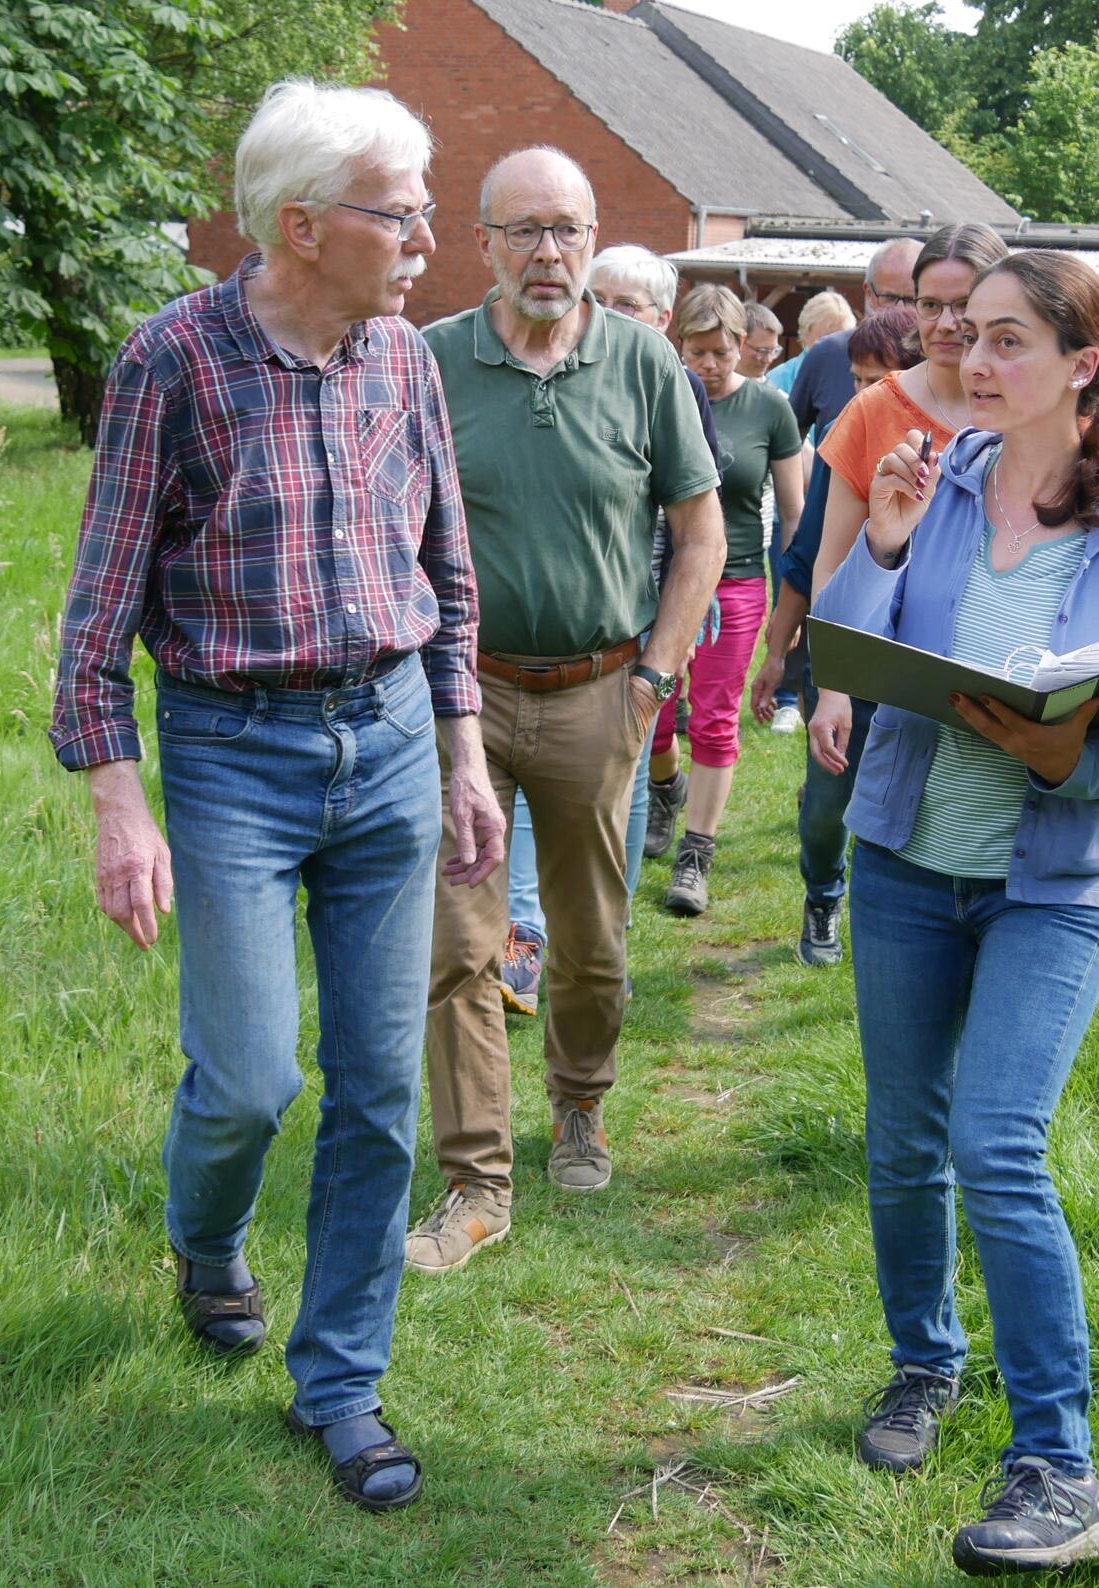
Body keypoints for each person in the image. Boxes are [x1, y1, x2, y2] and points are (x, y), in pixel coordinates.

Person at [48, 80, 505, 1512]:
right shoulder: (170, 362)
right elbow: (93, 619)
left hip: (388, 747)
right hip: (234, 755)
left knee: (378, 1096)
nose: (430, 235)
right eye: (402, 210)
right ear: (302, 225)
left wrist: (466, 744)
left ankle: (343, 1382)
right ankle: (207, 1241)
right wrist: (124, 810)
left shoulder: (406, 362)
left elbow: (447, 572)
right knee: (249, 1081)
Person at [812, 250, 1099, 1575]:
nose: (974, 365)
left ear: (1082, 364)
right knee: (902, 1141)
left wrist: (1063, 760)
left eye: (1007, 343)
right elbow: (849, 646)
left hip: (1052, 881)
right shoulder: (943, 479)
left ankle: (1058, 1464)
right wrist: (886, 537)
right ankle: (924, 1366)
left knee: (998, 1146)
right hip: (913, 860)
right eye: (964, 337)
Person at [409, 147, 724, 1275]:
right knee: (462, 945)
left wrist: (652, 679)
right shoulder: (431, 360)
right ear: (483, 242)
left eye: (570, 230)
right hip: (464, 699)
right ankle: (476, 1183)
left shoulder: (645, 363)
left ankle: (580, 1102)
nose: (550, 253)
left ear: (595, 241)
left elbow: (700, 538)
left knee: (590, 949)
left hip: (600, 693)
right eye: (526, 230)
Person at [495, 243, 722, 1019]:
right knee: (527, 809)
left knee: (616, 798)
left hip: (639, 632)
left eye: (635, 306)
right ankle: (522, 947)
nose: (617, 316)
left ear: (663, 317)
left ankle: (605, 941)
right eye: (608, 300)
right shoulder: (555, 371)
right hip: (533, 657)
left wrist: (667, 649)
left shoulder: (670, 383)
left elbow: (698, 521)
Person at [786, 224, 1009, 968]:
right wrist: (836, 687)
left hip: (969, 659)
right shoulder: (874, 411)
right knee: (827, 808)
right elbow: (831, 561)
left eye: (964, 305)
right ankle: (823, 890)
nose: (946, 325)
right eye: (929, 305)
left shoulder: (1020, 413)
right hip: (869, 654)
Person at [749, 306, 917, 965]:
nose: (867, 395)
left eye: (883, 378)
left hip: (918, 657)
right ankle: (822, 895)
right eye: (857, 379)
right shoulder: (848, 439)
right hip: (841, 650)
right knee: (826, 805)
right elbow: (804, 550)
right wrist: (776, 657)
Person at [647, 284, 804, 916]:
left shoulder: (770, 409)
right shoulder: (663, 395)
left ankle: (695, 855)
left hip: (737, 580)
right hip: (660, 578)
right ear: (677, 343)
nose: (709, 365)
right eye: (696, 351)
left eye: (721, 351)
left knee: (713, 718)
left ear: (743, 345)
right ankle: (665, 789)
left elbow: (793, 513)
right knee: (653, 712)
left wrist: (791, 601)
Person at [786, 237, 920, 446]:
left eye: (913, 300)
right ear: (868, 292)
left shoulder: (937, 363)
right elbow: (789, 440)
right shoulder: (827, 355)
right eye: (889, 297)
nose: (900, 308)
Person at [740, 301, 805, 732]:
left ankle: (784, 695)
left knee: (780, 607)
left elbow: (791, 493)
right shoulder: (694, 392)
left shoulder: (776, 401)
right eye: (758, 350)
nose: (766, 359)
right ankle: (676, 701)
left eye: (771, 351)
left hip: (763, 527)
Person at [767, 288, 856, 396]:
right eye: (827, 339)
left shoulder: (858, 379)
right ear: (805, 333)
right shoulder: (777, 379)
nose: (834, 346)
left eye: (842, 339)